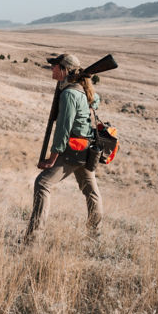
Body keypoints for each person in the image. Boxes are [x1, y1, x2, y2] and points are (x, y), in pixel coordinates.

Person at [24, 53, 103, 242]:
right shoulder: (80, 90)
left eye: (55, 66)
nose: (52, 68)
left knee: (43, 183)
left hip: (73, 151)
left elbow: (63, 129)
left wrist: (52, 158)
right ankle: (95, 236)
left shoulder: (69, 94)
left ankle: (33, 239)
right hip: (86, 149)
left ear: (64, 70)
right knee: (91, 192)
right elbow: (96, 100)